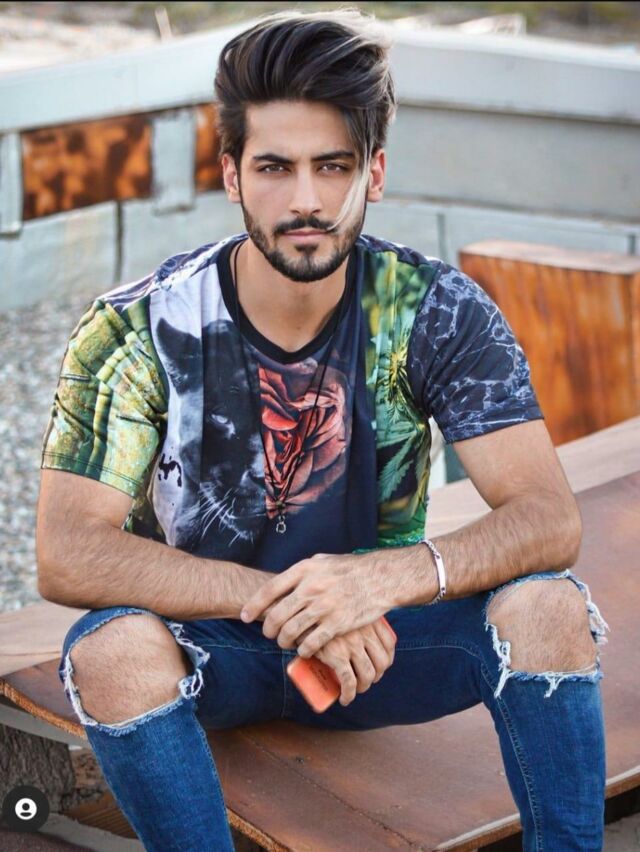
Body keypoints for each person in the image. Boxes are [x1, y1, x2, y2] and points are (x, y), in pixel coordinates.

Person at [36, 9, 609, 851]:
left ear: (373, 173)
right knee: (111, 652)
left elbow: (548, 518)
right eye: (274, 167)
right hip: (217, 651)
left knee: (550, 608)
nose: (304, 200)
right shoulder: (140, 328)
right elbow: (67, 552)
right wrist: (302, 602)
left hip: (380, 652)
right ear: (231, 175)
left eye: (331, 166)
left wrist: (379, 583)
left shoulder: (431, 312)